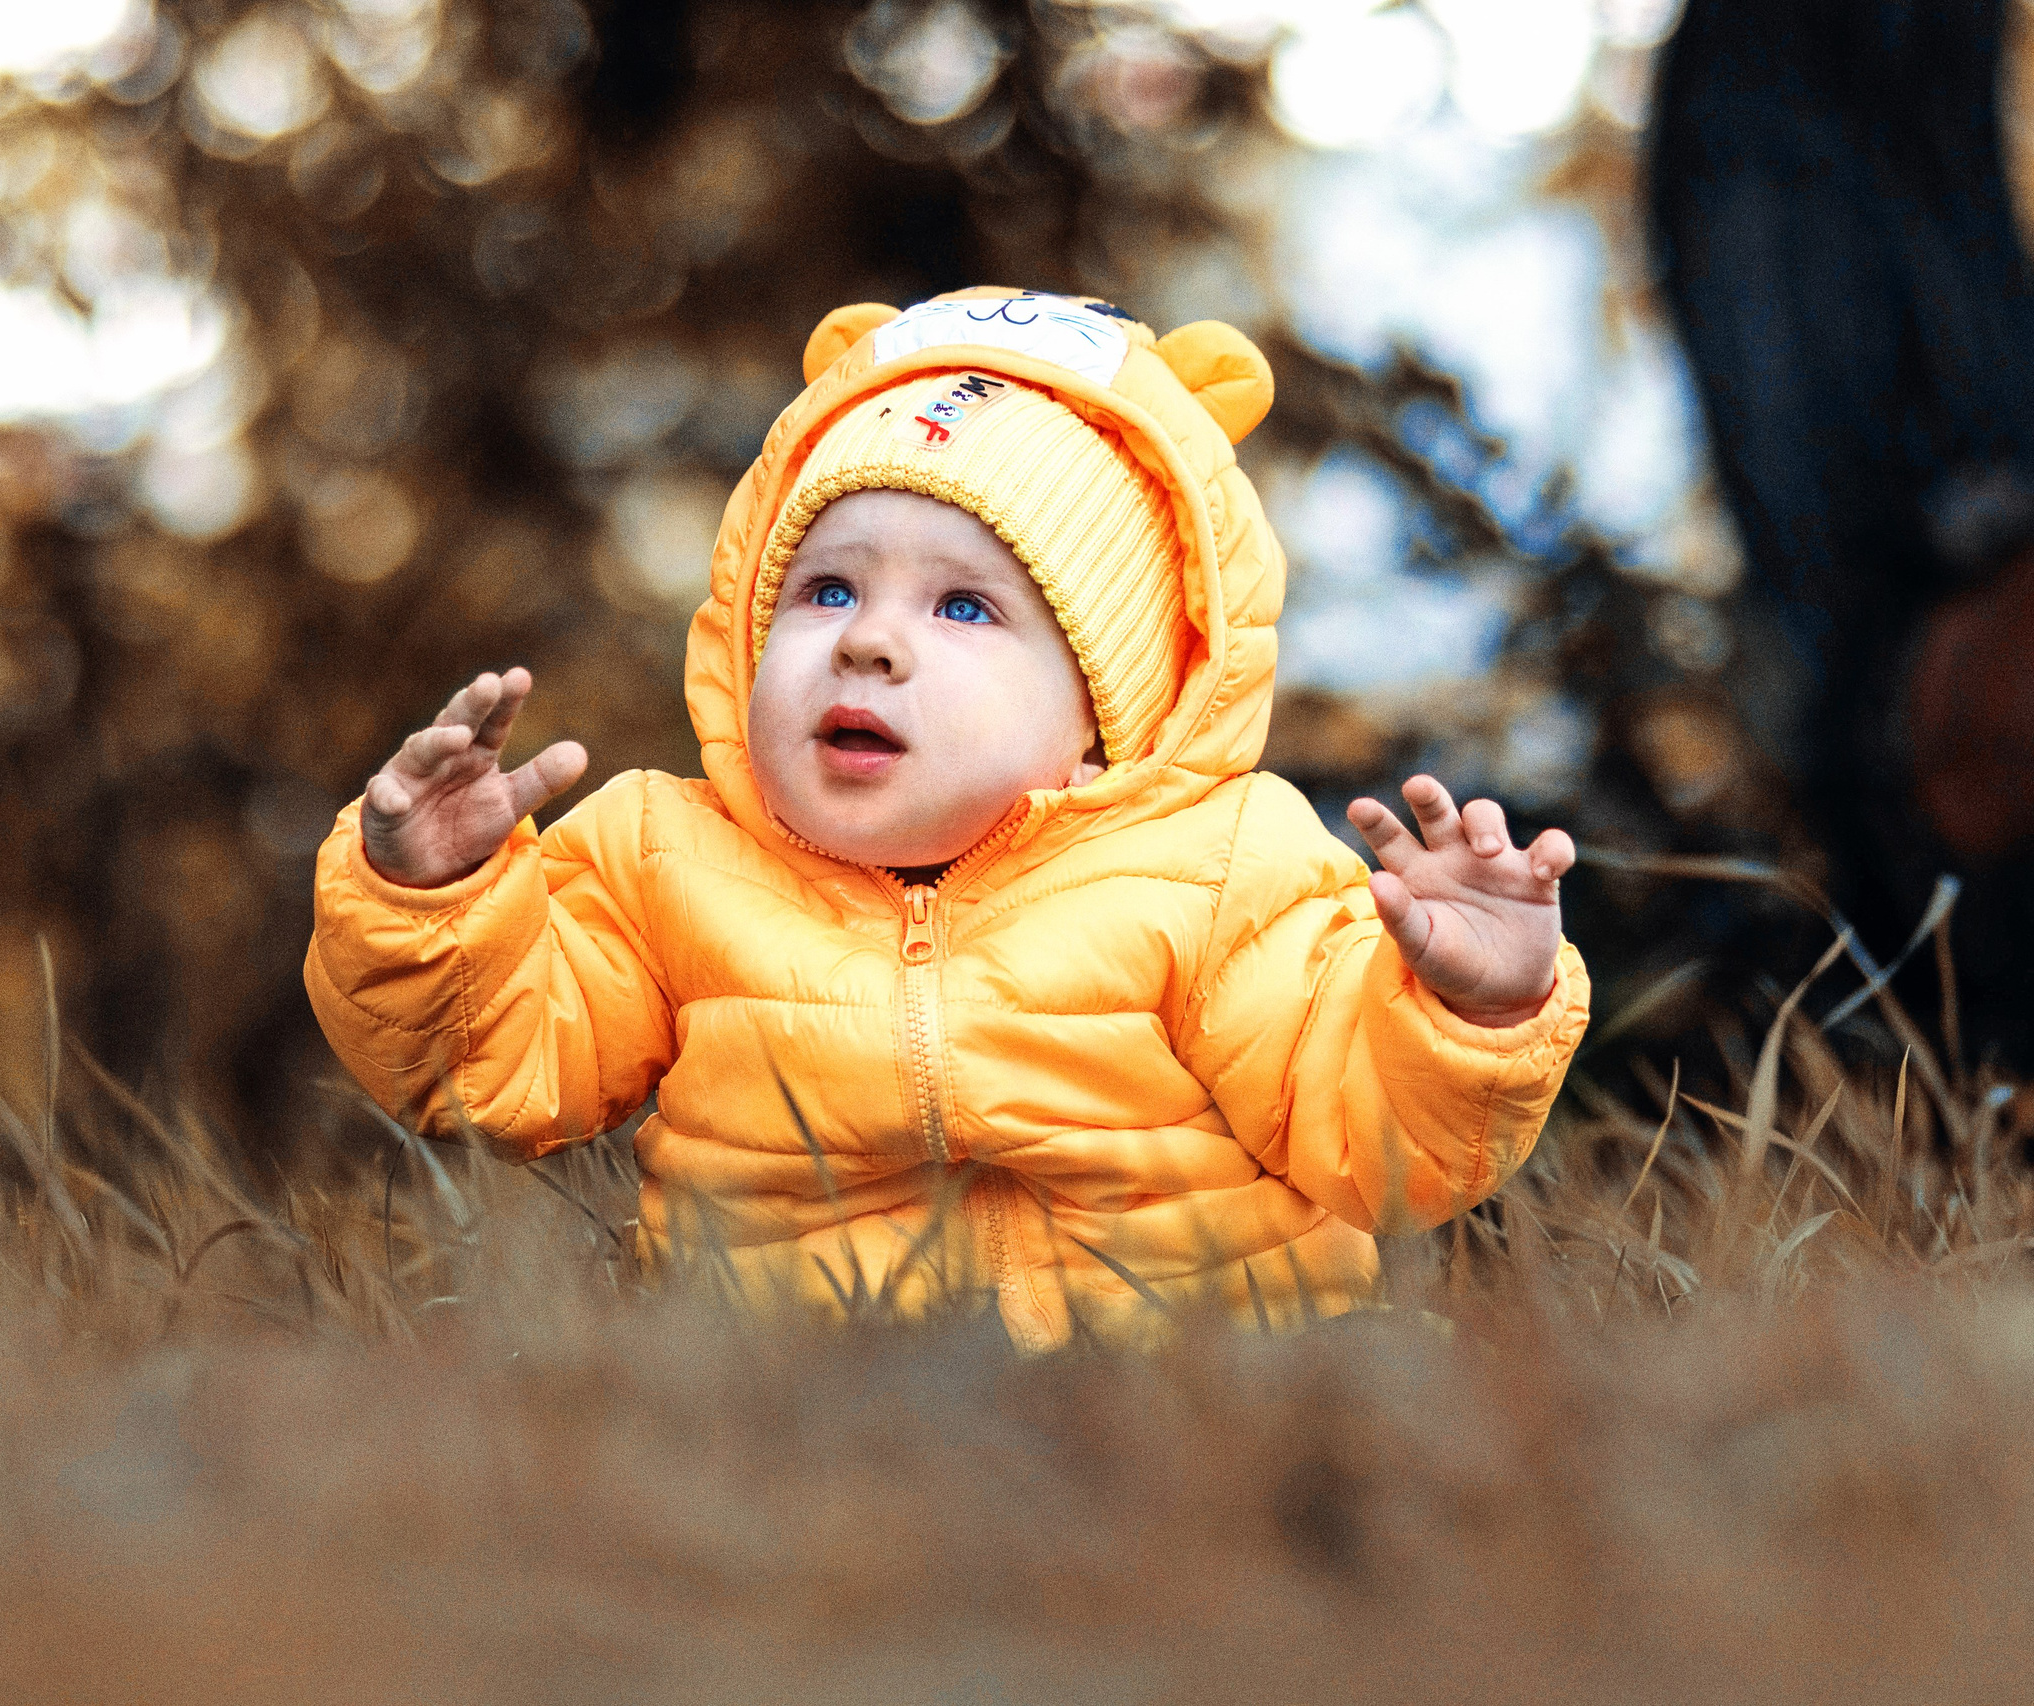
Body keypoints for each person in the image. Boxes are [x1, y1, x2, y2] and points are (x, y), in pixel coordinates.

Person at [305, 288, 1590, 1347]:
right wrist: (436, 900)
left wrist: (1471, 1013)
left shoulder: (1222, 874)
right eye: (821, 591)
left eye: (962, 608)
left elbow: (1381, 1151)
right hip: (790, 1414)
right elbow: (492, 1076)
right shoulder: (662, 859)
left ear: (1104, 704)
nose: (868, 641)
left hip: (1188, 1401)